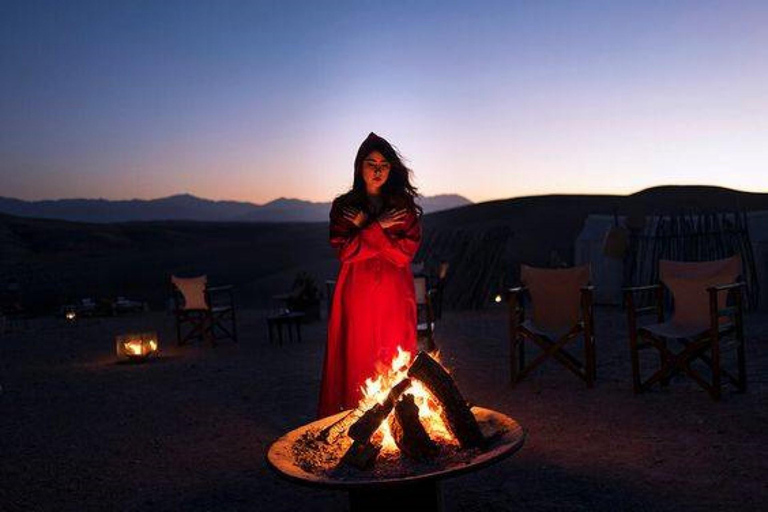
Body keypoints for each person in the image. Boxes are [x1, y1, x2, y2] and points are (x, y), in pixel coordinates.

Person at [318, 132, 422, 418]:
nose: (377, 170)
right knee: (357, 352)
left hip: (395, 292)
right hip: (357, 290)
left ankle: (398, 419)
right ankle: (355, 418)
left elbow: (404, 255)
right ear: (359, 167)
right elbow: (346, 252)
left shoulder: (403, 207)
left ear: (391, 169)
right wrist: (380, 229)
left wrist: (366, 227)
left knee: (394, 353)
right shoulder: (344, 207)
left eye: (384, 164)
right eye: (371, 163)